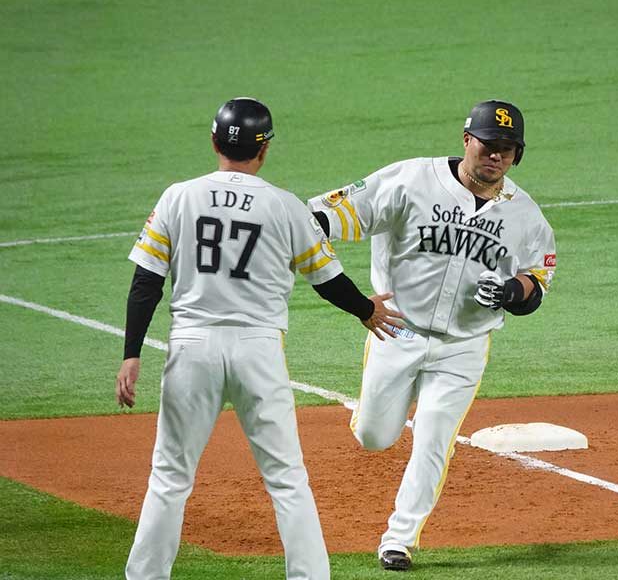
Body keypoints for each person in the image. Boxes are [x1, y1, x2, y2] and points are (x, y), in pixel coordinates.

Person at [114, 97, 403, 580]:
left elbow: (146, 282)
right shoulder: (285, 206)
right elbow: (327, 279)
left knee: (169, 478)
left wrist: (131, 355)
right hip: (258, 353)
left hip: (192, 349)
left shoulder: (178, 197)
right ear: (264, 149)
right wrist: (367, 310)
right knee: (287, 480)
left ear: (214, 141)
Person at [307, 99, 557, 571]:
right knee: (374, 436)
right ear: (467, 140)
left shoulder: (525, 215)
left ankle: (398, 539)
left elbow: (537, 280)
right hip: (396, 330)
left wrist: (511, 290)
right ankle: (376, 420)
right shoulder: (410, 180)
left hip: (463, 346)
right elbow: (322, 215)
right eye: (488, 144)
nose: (495, 155)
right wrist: (345, 289)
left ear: (517, 155)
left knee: (434, 437)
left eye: (506, 149)